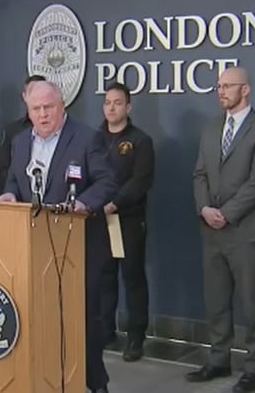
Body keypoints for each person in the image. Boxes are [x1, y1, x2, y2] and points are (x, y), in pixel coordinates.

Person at [0, 80, 117, 393]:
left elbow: (107, 182)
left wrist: (83, 204)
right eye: (36, 109)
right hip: (34, 249)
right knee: (41, 319)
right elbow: (13, 181)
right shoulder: (20, 142)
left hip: (81, 246)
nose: (43, 114)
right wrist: (9, 195)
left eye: (49, 107)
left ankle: (95, 383)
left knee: (82, 321)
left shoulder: (88, 138)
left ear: (62, 107)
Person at [188, 66, 255, 393]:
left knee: (252, 303)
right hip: (211, 231)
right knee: (215, 301)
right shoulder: (212, 129)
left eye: (228, 86)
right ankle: (218, 359)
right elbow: (199, 174)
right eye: (218, 86)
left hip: (246, 232)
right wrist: (204, 209)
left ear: (246, 89)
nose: (221, 91)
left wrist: (225, 214)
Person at [98, 82, 155, 362]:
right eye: (107, 102)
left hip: (128, 219)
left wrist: (115, 202)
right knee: (103, 278)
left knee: (132, 278)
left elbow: (141, 181)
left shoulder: (141, 141)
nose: (111, 107)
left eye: (117, 102)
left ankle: (135, 337)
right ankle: (105, 331)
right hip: (99, 220)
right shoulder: (94, 138)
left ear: (128, 107)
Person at [0, 74, 47, 194]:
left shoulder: (59, 130)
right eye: (32, 92)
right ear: (24, 96)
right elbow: (4, 167)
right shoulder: (13, 131)